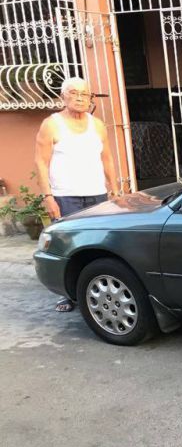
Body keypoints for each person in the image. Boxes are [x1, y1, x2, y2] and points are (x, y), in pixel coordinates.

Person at [34, 77, 122, 312]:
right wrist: (48, 197)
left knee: (98, 244)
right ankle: (65, 293)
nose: (80, 98)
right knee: (66, 246)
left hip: (97, 195)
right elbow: (41, 163)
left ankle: (93, 287)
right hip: (65, 196)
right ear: (63, 96)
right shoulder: (52, 124)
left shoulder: (97, 125)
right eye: (74, 93)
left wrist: (114, 189)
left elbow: (107, 159)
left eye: (85, 94)